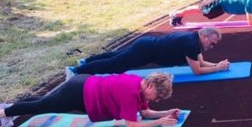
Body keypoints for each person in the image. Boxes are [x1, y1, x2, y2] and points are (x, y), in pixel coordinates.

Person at [0, 72, 181, 127]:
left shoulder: (139, 85)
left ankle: (5, 109)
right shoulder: (131, 93)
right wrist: (160, 122)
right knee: (41, 107)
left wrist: (166, 112)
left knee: (43, 102)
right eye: (158, 96)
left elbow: (145, 114)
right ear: (151, 84)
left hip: (85, 84)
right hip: (79, 93)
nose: (156, 100)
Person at [66, 28, 229, 78]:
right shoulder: (192, 43)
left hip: (146, 44)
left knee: (115, 56)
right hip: (145, 51)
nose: (212, 46)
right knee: (114, 64)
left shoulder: (193, 38)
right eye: (212, 42)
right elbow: (197, 70)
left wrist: (217, 64)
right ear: (204, 36)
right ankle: (75, 71)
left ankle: (85, 62)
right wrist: (218, 68)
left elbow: (200, 62)